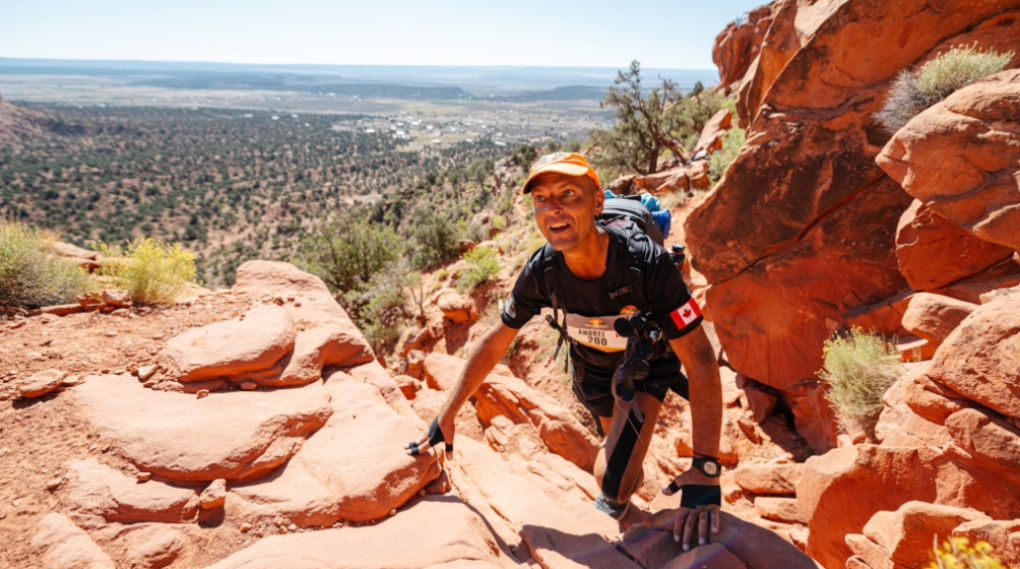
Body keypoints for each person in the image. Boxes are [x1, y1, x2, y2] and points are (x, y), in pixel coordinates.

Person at [404, 152, 723, 550]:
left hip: (645, 366)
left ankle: (625, 481)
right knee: (620, 462)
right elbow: (495, 341)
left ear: (597, 203)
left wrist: (706, 470)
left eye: (568, 194)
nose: (552, 208)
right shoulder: (544, 271)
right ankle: (630, 475)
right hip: (592, 369)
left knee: (611, 483)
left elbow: (700, 358)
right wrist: (447, 415)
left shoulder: (645, 262)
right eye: (541, 198)